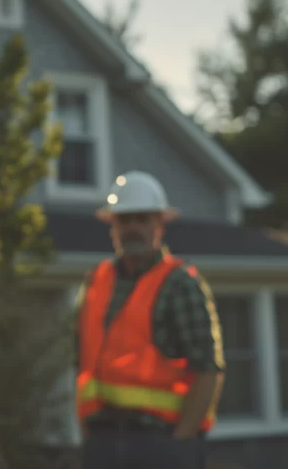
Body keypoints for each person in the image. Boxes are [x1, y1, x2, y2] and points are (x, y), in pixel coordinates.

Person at [75, 170, 225, 469]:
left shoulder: (178, 284)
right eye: (125, 219)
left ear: (160, 224)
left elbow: (207, 369)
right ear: (113, 226)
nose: (133, 228)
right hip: (102, 441)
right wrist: (87, 433)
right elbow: (79, 362)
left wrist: (181, 442)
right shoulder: (96, 282)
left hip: (161, 442)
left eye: (142, 219)